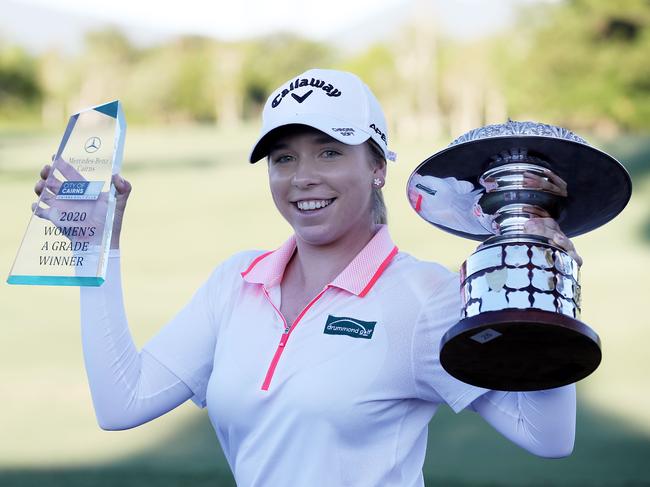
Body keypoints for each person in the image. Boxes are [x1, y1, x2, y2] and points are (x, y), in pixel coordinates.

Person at [35, 68, 579, 487]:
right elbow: (121, 402)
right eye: (283, 157)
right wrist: (93, 247)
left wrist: (548, 292)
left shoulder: (424, 296)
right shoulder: (236, 282)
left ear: (378, 166)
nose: (303, 178)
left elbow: (548, 437)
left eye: (329, 151)